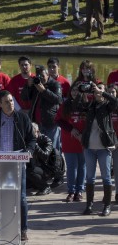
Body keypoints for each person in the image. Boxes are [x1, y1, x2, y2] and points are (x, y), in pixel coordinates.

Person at [0, 90, 36, 242]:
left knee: (21, 197)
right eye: (6, 102)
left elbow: (31, 139)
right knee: (1, 196)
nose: (10, 104)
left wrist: (28, 151)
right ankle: (1, 229)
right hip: (0, 163)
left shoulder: (22, 117)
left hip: (18, 161)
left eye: (11, 101)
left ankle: (23, 230)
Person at [81, 83, 117, 217]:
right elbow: (78, 106)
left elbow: (115, 101)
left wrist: (103, 92)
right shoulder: (90, 105)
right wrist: (83, 92)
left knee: (106, 177)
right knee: (89, 177)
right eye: (96, 90)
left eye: (100, 90)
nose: (97, 92)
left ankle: (107, 206)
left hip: (104, 147)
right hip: (89, 147)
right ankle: (89, 205)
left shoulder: (108, 106)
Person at [56, 83, 86, 203]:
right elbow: (58, 120)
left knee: (82, 167)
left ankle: (79, 191)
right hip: (69, 140)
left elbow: (91, 121)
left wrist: (83, 134)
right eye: (73, 90)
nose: (74, 93)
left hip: (83, 140)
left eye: (77, 91)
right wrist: (71, 129)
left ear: (81, 92)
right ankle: (71, 191)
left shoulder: (86, 104)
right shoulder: (65, 104)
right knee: (71, 167)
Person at [21, 65, 63, 151]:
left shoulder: (55, 84)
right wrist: (28, 86)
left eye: (43, 76)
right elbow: (24, 97)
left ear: (48, 75)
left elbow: (58, 100)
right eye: (39, 76)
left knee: (52, 149)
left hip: (50, 123)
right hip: (36, 124)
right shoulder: (35, 84)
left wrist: (43, 90)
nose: (41, 78)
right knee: (37, 149)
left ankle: (54, 164)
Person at [26, 122, 64, 196]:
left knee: (29, 171)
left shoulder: (46, 140)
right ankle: (34, 183)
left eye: (31, 133)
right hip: (36, 166)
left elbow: (45, 156)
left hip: (47, 169)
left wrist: (35, 146)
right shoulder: (28, 141)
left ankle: (45, 187)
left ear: (37, 132)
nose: (29, 135)